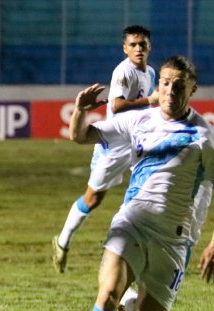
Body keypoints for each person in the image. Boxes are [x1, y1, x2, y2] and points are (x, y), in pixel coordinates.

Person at [68, 55, 214, 311]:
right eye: (165, 83)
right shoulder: (139, 120)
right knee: (106, 293)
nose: (170, 89)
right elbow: (81, 136)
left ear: (192, 90)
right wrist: (80, 109)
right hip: (131, 223)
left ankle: (132, 299)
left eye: (179, 84)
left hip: (174, 240)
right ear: (157, 86)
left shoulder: (206, 137)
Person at [52, 25, 158, 274]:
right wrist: (151, 101)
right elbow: (118, 105)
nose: (139, 49)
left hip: (138, 140)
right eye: (133, 44)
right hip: (114, 144)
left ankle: (128, 244)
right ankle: (63, 241)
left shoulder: (151, 72)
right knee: (93, 198)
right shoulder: (123, 72)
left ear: (149, 46)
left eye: (143, 44)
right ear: (125, 48)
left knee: (149, 188)